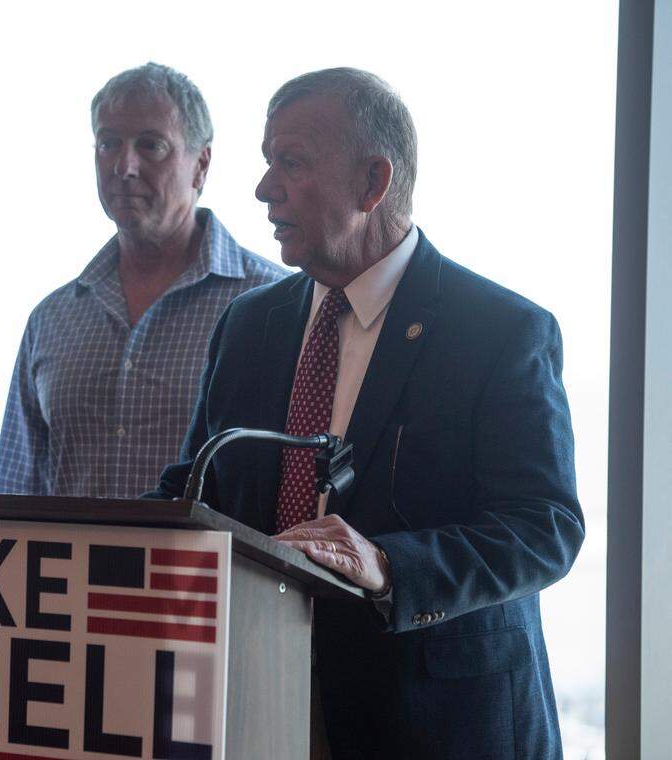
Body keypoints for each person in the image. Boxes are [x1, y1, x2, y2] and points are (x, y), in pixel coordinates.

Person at [152, 68, 583, 758]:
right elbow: (199, 484)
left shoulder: (499, 330)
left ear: (372, 182)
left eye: (290, 163)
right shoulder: (249, 326)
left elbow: (544, 528)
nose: (264, 188)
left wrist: (388, 563)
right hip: (261, 704)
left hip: (438, 723)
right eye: (267, 162)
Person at [0, 63, 284, 498]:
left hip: (209, 567)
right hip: (67, 568)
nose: (124, 166)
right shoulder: (52, 319)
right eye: (108, 143)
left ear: (200, 165)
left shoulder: (272, 305)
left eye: (151, 145)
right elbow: (14, 492)